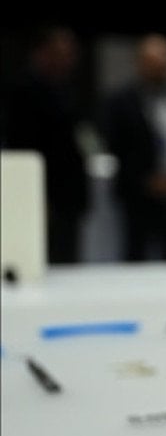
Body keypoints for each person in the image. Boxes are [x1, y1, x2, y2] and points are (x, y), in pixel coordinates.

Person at [3, 25, 90, 263]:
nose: (70, 60)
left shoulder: (67, 89)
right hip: (43, 192)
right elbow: (21, 148)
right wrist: (35, 196)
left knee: (68, 255)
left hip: (69, 193)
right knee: (43, 257)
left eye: (71, 54)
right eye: (63, 54)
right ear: (43, 53)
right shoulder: (23, 91)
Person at [103, 34, 166, 261]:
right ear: (140, 63)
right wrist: (145, 180)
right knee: (136, 256)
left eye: (165, 62)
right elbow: (117, 147)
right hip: (138, 196)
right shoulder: (121, 102)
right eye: (154, 62)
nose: (160, 67)